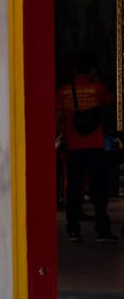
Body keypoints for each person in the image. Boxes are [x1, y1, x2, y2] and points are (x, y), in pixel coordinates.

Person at [57, 54, 117, 243]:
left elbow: (58, 114)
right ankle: (102, 230)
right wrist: (97, 81)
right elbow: (110, 101)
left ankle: (73, 229)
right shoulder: (97, 88)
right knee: (99, 190)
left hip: (74, 146)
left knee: (73, 190)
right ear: (92, 71)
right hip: (95, 146)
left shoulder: (64, 91)